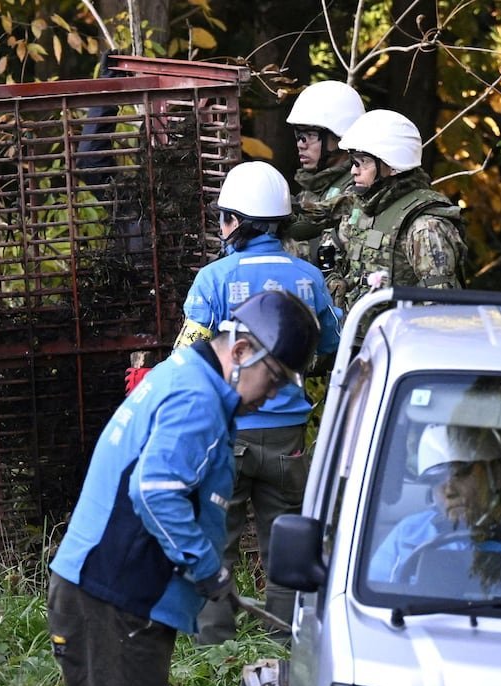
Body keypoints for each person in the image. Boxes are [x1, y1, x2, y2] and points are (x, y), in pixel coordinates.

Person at [48, 290, 321, 686]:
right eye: (273, 380)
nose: (272, 396)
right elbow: (156, 492)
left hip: (110, 595)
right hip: (113, 600)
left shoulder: (185, 375)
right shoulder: (198, 399)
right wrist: (207, 568)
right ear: (243, 351)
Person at [172, 162, 342, 645]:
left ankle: (214, 643)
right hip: (289, 437)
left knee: (216, 536)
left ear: (239, 222)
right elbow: (331, 345)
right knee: (286, 541)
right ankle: (286, 639)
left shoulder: (213, 278)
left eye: (225, 217)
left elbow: (187, 356)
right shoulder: (310, 278)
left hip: (229, 433)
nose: (221, 227)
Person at [368, 424, 501, 583]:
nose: (449, 491)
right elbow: (375, 605)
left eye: (460, 474)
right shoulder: (407, 534)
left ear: (497, 473)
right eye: (436, 481)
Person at [323, 109, 466, 311]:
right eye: (353, 161)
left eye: (362, 162)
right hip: (355, 336)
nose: (354, 170)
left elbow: (441, 310)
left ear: (392, 166)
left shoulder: (425, 227)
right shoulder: (362, 208)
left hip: (400, 339)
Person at [281, 80, 365, 263]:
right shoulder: (314, 187)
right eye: (298, 135)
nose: (301, 144)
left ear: (339, 137)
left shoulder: (358, 186)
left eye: (311, 135)